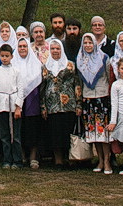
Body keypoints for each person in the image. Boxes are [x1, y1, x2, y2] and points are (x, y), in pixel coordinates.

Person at [77, 33, 113, 174]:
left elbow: (110, 77)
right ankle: (100, 160)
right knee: (93, 132)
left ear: (95, 44)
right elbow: (79, 82)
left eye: (90, 43)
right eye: (85, 43)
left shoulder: (104, 58)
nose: (87, 45)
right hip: (88, 97)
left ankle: (107, 161)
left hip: (102, 96)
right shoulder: (79, 59)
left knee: (103, 132)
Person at [41, 38, 80, 167]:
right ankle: (58, 159)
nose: (55, 51)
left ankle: (70, 157)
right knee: (55, 132)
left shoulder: (70, 65)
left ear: (61, 50)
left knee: (67, 131)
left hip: (69, 105)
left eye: (57, 48)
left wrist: (79, 103)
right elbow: (42, 87)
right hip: (52, 106)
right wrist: (43, 106)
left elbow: (77, 84)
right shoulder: (45, 66)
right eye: (52, 49)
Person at [0, 43, 25, 168]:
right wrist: (0, 91)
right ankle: (7, 159)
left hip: (14, 105)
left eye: (7, 56)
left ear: (11, 56)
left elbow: (21, 90)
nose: (4, 58)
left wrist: (18, 107)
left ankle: (17, 160)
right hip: (1, 104)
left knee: (15, 135)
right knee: (4, 134)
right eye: (2, 56)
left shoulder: (16, 71)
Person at [12, 35, 45, 168]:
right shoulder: (13, 63)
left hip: (32, 99)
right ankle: (22, 155)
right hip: (17, 101)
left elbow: (39, 81)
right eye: (20, 46)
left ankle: (33, 157)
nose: (22, 48)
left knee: (32, 127)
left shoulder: (36, 63)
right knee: (20, 127)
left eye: (25, 46)